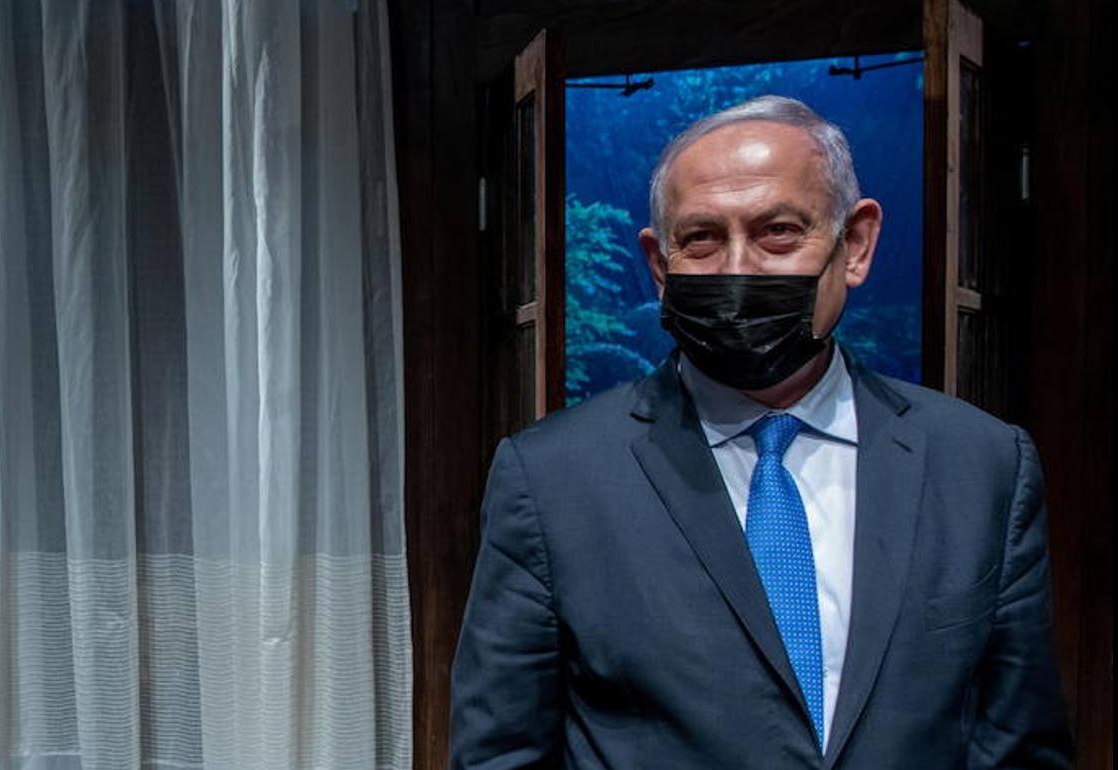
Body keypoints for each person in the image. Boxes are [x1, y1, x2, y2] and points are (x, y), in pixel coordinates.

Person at [448, 95, 1071, 769]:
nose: (738, 269)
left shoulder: (981, 465)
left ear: (855, 244)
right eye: (702, 239)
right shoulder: (552, 479)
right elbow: (499, 755)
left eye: (778, 231)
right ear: (659, 266)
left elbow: (1020, 747)